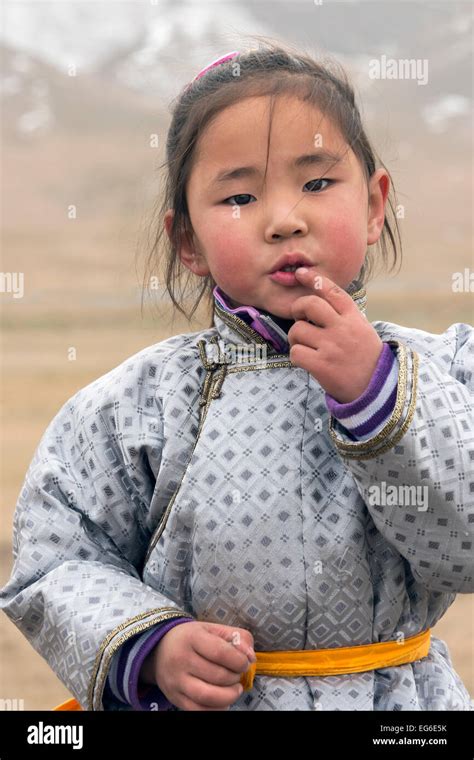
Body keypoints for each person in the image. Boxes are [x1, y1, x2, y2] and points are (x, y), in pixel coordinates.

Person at [1, 39, 472, 712]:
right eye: (240, 195)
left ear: (374, 205)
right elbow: (55, 558)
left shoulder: (445, 372)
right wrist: (151, 647)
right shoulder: (133, 408)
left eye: (316, 183)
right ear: (186, 239)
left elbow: (465, 550)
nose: (285, 220)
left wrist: (378, 395)